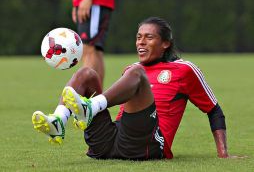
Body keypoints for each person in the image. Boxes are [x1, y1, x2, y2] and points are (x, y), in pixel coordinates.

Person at [32, 17, 235, 159]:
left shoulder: (184, 69)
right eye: (139, 37)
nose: (141, 42)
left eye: (149, 37)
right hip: (112, 142)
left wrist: (223, 153)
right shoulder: (131, 68)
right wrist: (100, 134)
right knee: (87, 73)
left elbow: (214, 110)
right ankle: (59, 122)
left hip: (148, 145)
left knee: (138, 74)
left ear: (165, 43)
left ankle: (89, 108)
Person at [72, 0, 114, 85]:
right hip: (92, 0)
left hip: (96, 0)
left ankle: (88, 96)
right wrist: (77, 2)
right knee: (94, 50)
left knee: (89, 49)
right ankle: (96, 98)